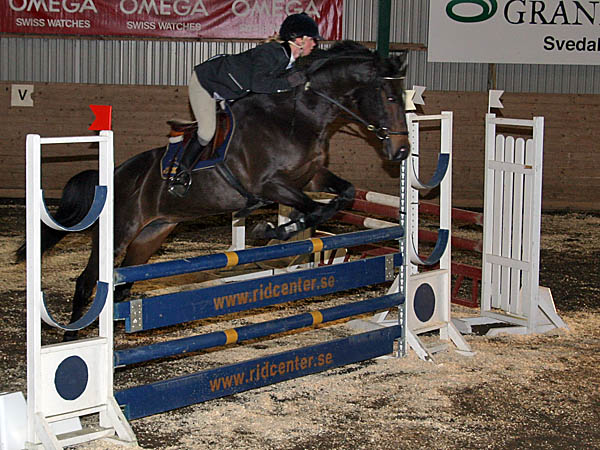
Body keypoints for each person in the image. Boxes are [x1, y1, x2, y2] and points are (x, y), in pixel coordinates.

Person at [168, 12, 322, 197]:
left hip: (232, 91)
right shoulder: (270, 52)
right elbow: (258, 85)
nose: (315, 44)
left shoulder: (289, 61)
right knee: (207, 131)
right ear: (298, 40)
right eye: (312, 39)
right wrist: (290, 82)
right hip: (206, 83)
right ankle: (180, 174)